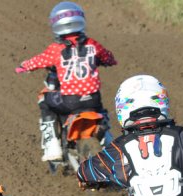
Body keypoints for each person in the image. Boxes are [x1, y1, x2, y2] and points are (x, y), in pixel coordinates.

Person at [15, 2, 117, 162]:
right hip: (93, 99)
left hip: (70, 101)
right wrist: (109, 61)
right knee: (100, 111)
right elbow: (107, 57)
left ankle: (52, 145)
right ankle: (108, 138)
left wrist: (24, 66)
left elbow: (39, 61)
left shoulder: (56, 49)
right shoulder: (92, 44)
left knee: (44, 100)